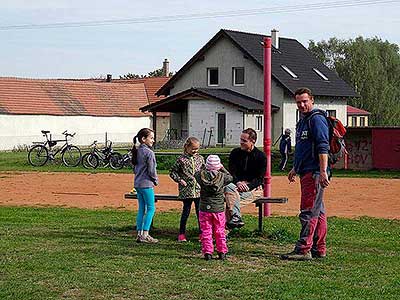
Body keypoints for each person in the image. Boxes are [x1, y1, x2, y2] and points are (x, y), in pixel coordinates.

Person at [281, 87, 330, 260]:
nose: (301, 105)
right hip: (306, 171)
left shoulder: (316, 119)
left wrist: (323, 171)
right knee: (319, 211)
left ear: (312, 100)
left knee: (308, 210)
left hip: (315, 172)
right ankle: (319, 248)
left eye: (304, 101)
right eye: (298, 102)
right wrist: (295, 168)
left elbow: (323, 146)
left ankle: (303, 249)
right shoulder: (303, 121)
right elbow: (303, 149)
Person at [224, 128, 266, 229]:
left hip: (254, 189)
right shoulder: (235, 153)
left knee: (228, 202)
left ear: (253, 141)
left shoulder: (261, 156)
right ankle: (236, 218)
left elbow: (260, 179)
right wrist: (238, 183)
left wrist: (248, 186)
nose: (241, 142)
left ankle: (222, 232)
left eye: (244, 140)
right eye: (241, 140)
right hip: (235, 187)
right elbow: (232, 173)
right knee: (229, 188)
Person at [195, 155, 232, 260]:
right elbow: (230, 177)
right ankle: (222, 252)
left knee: (206, 231)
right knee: (220, 231)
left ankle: (207, 252)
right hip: (218, 209)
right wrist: (222, 168)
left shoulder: (200, 176)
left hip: (204, 209)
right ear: (218, 166)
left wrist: (204, 168)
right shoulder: (222, 177)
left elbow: (196, 173)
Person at [169, 137, 205, 242]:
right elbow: (172, 172)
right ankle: (181, 234)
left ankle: (202, 234)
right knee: (186, 212)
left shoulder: (200, 159)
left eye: (197, 149)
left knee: (200, 213)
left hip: (198, 190)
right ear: (187, 147)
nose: (195, 151)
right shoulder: (181, 160)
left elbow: (204, 171)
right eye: (193, 149)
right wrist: (180, 180)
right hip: (186, 191)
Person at [131, 128, 159, 244]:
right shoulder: (149, 153)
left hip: (137, 184)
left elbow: (134, 168)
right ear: (143, 139)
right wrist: (155, 180)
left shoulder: (136, 151)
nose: (153, 140)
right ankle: (145, 234)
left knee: (141, 209)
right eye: (151, 138)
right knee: (151, 208)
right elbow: (152, 170)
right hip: (147, 184)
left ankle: (139, 233)